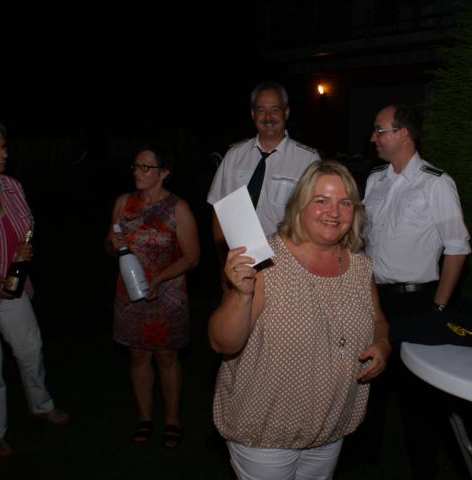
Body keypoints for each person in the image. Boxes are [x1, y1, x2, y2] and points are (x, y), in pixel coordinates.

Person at [209, 160, 390, 480]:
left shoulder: (360, 267)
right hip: (266, 432)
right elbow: (222, 343)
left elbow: (379, 321)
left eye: (344, 202)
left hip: (330, 428)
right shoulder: (264, 261)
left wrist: (383, 344)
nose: (334, 212)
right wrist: (241, 294)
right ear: (299, 206)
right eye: (321, 200)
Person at [363, 104, 472, 478]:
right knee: (370, 380)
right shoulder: (375, 180)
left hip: (417, 300)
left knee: (418, 396)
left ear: (403, 134)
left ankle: (424, 468)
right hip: (375, 297)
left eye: (379, 130)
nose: (373, 138)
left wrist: (438, 308)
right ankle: (366, 455)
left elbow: (457, 248)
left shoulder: (435, 183)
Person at [0, 118, 68, 457]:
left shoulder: (12, 186)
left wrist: (26, 247)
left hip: (14, 284)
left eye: (4, 145)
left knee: (30, 348)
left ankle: (41, 405)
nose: (4, 153)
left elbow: (27, 227)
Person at [107, 145, 199, 448]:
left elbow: (192, 257)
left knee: (167, 356)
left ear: (164, 173)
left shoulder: (178, 208)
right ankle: (145, 418)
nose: (138, 172)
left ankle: (172, 419)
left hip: (167, 292)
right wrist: (112, 244)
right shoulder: (123, 203)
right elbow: (111, 248)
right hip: (130, 291)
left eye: (146, 167)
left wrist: (159, 278)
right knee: (137, 355)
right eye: (136, 166)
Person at [207, 81, 320, 271]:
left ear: (286, 112)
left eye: (275, 110)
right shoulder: (234, 156)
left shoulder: (307, 160)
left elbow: (316, 218)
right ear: (253, 114)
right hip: (239, 264)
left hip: (287, 265)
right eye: (261, 110)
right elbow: (219, 210)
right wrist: (223, 264)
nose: (268, 117)